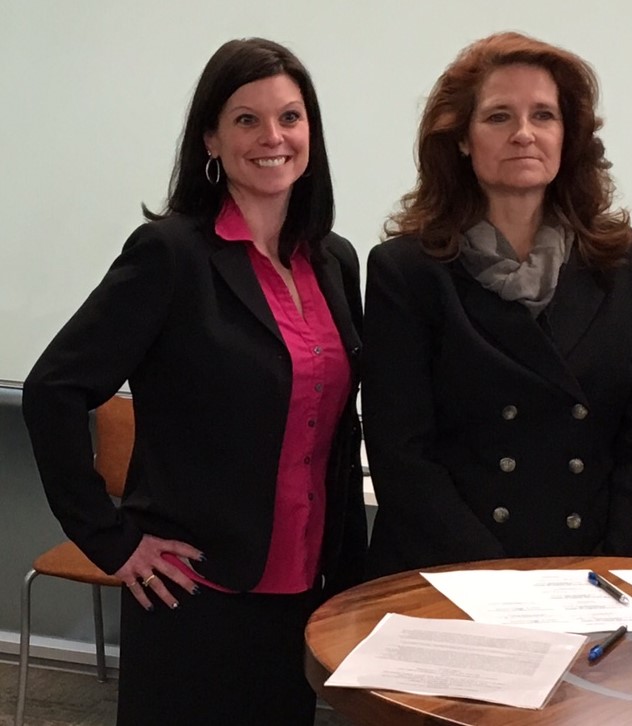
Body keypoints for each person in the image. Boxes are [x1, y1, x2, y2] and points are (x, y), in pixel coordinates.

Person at [22, 38, 365, 724]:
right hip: (193, 587)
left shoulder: (334, 261)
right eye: (246, 120)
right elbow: (54, 389)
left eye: (291, 118)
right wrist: (110, 539)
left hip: (308, 582)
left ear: (311, 133)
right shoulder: (172, 255)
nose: (273, 137)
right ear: (211, 137)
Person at [362, 31, 632, 578]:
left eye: (544, 116)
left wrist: (608, 571)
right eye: (499, 116)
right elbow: (401, 453)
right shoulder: (406, 271)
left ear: (567, 135)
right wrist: (494, 583)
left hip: (586, 577)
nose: (524, 134)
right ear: (461, 137)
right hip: (445, 577)